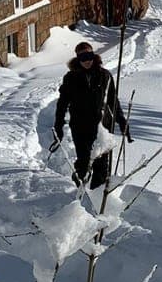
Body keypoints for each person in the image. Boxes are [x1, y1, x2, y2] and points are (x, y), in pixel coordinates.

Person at [53, 41, 132, 189]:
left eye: (89, 56)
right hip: (80, 126)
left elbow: (113, 101)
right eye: (83, 58)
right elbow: (62, 104)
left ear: (94, 55)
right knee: (83, 163)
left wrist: (122, 123)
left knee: (101, 166)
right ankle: (79, 196)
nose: (87, 61)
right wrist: (58, 125)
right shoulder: (71, 78)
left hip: (102, 127)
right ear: (78, 59)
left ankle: (97, 200)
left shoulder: (105, 76)